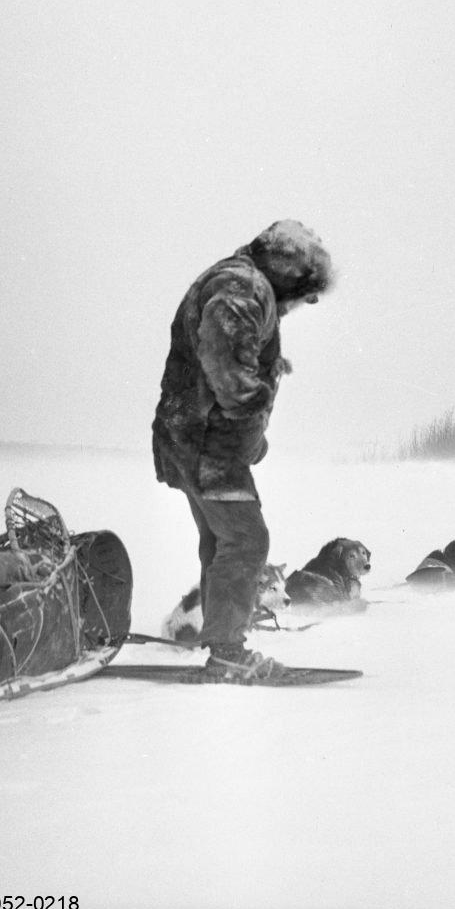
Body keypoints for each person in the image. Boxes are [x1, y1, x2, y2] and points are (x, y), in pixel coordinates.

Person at [151, 219, 334, 679]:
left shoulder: (243, 283)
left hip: (194, 438)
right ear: (289, 274)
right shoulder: (241, 287)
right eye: (305, 291)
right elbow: (224, 358)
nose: (304, 303)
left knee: (220, 542)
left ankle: (222, 635)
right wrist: (252, 401)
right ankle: (228, 652)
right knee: (247, 539)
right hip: (208, 445)